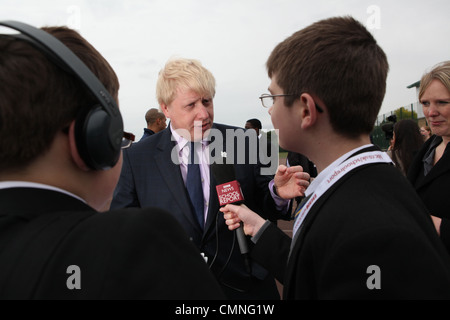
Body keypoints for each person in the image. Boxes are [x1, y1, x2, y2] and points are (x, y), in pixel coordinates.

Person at [221, 17, 450, 299]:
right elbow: (320, 272)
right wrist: (260, 228)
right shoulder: (362, 185)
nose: (269, 111)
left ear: (305, 109)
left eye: (273, 98)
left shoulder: (369, 224)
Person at [0, 23, 224, 299]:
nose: (203, 113)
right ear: (92, 138)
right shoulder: (135, 241)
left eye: (207, 101)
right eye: (118, 134)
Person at [111, 58, 309, 299]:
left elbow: (266, 206)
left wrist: (277, 193)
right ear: (166, 109)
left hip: (244, 288)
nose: (203, 113)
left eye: (207, 101)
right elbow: (125, 229)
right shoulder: (136, 158)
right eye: (191, 105)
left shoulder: (245, 142)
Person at [408, 61, 450, 254]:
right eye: (425, 103)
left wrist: (435, 225)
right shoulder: (427, 150)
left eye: (442, 102)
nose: (431, 113)